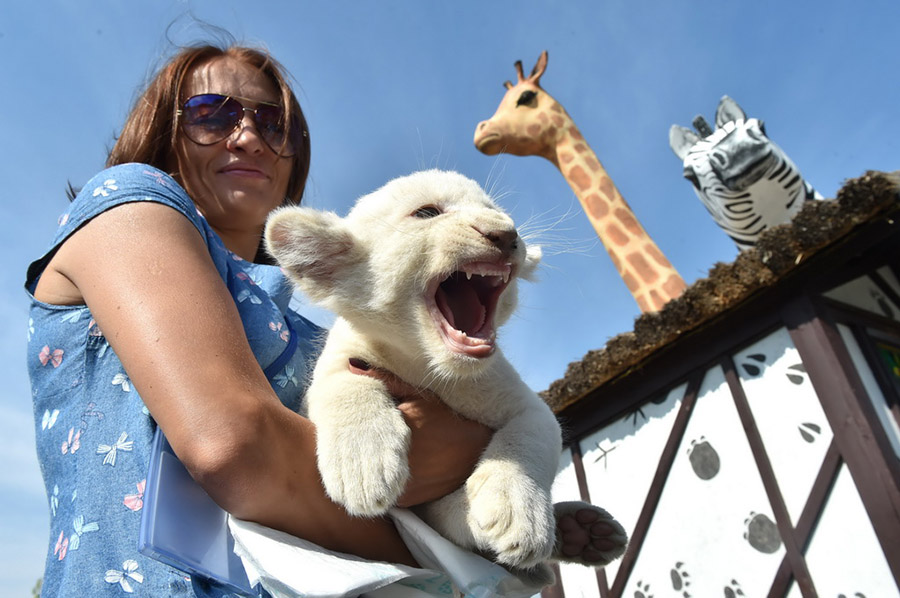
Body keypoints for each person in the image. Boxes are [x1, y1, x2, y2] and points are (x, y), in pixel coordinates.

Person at [26, 41, 619, 598]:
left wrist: (478, 503)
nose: (250, 137)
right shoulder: (128, 200)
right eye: (211, 113)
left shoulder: (312, 332)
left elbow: (416, 470)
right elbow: (234, 450)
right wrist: (428, 492)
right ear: (162, 129)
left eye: (273, 123)